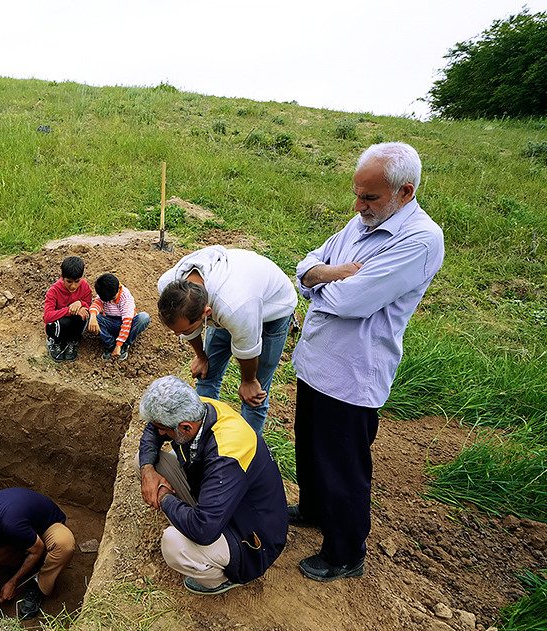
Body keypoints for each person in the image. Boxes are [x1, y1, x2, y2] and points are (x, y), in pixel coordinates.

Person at [290, 142, 444, 582]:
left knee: (343, 465)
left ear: (405, 192)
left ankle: (345, 552)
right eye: (357, 193)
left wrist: (322, 278)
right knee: (310, 447)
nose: (358, 205)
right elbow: (306, 268)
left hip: (353, 372)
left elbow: (351, 301)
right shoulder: (363, 220)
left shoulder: (419, 240)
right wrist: (324, 273)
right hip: (318, 360)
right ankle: (314, 509)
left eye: (369, 196)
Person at [137, 376, 288, 595]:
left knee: (174, 545)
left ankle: (221, 578)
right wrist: (148, 471)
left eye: (165, 430)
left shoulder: (227, 456)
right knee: (144, 462)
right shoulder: (198, 407)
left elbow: (203, 529)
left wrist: (163, 498)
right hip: (221, 499)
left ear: (185, 427)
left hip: (253, 536)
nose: (160, 433)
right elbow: (153, 430)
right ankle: (193, 510)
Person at [156, 247, 297, 437]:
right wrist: (201, 356)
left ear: (207, 313)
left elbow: (247, 349)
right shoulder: (169, 285)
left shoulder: (234, 306)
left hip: (273, 309)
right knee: (206, 375)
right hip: (236, 298)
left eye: (184, 331)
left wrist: (248, 380)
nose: (177, 335)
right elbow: (187, 328)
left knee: (254, 395)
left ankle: (245, 456)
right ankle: (204, 442)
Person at [0, 487, 75, 620]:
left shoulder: (11, 526)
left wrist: (13, 582)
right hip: (20, 528)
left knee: (65, 546)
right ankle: (22, 558)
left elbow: (39, 549)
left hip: (45, 525)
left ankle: (38, 585)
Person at [86, 273, 150, 361]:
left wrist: (119, 345)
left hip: (128, 325)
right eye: (108, 300)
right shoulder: (105, 292)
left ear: (119, 288)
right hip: (112, 324)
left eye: (113, 298)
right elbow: (96, 303)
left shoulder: (125, 297)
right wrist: (92, 316)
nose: (111, 301)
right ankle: (110, 345)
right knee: (93, 316)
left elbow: (127, 322)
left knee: (143, 318)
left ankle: (125, 344)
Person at [43, 256, 93, 362]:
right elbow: (47, 317)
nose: (73, 286)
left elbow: (88, 305)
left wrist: (80, 303)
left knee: (84, 315)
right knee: (64, 322)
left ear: (82, 277)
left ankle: (72, 342)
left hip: (72, 324)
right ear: (62, 276)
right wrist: (69, 309)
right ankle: (54, 342)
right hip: (58, 326)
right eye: (69, 281)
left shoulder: (85, 287)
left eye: (77, 281)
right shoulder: (54, 291)